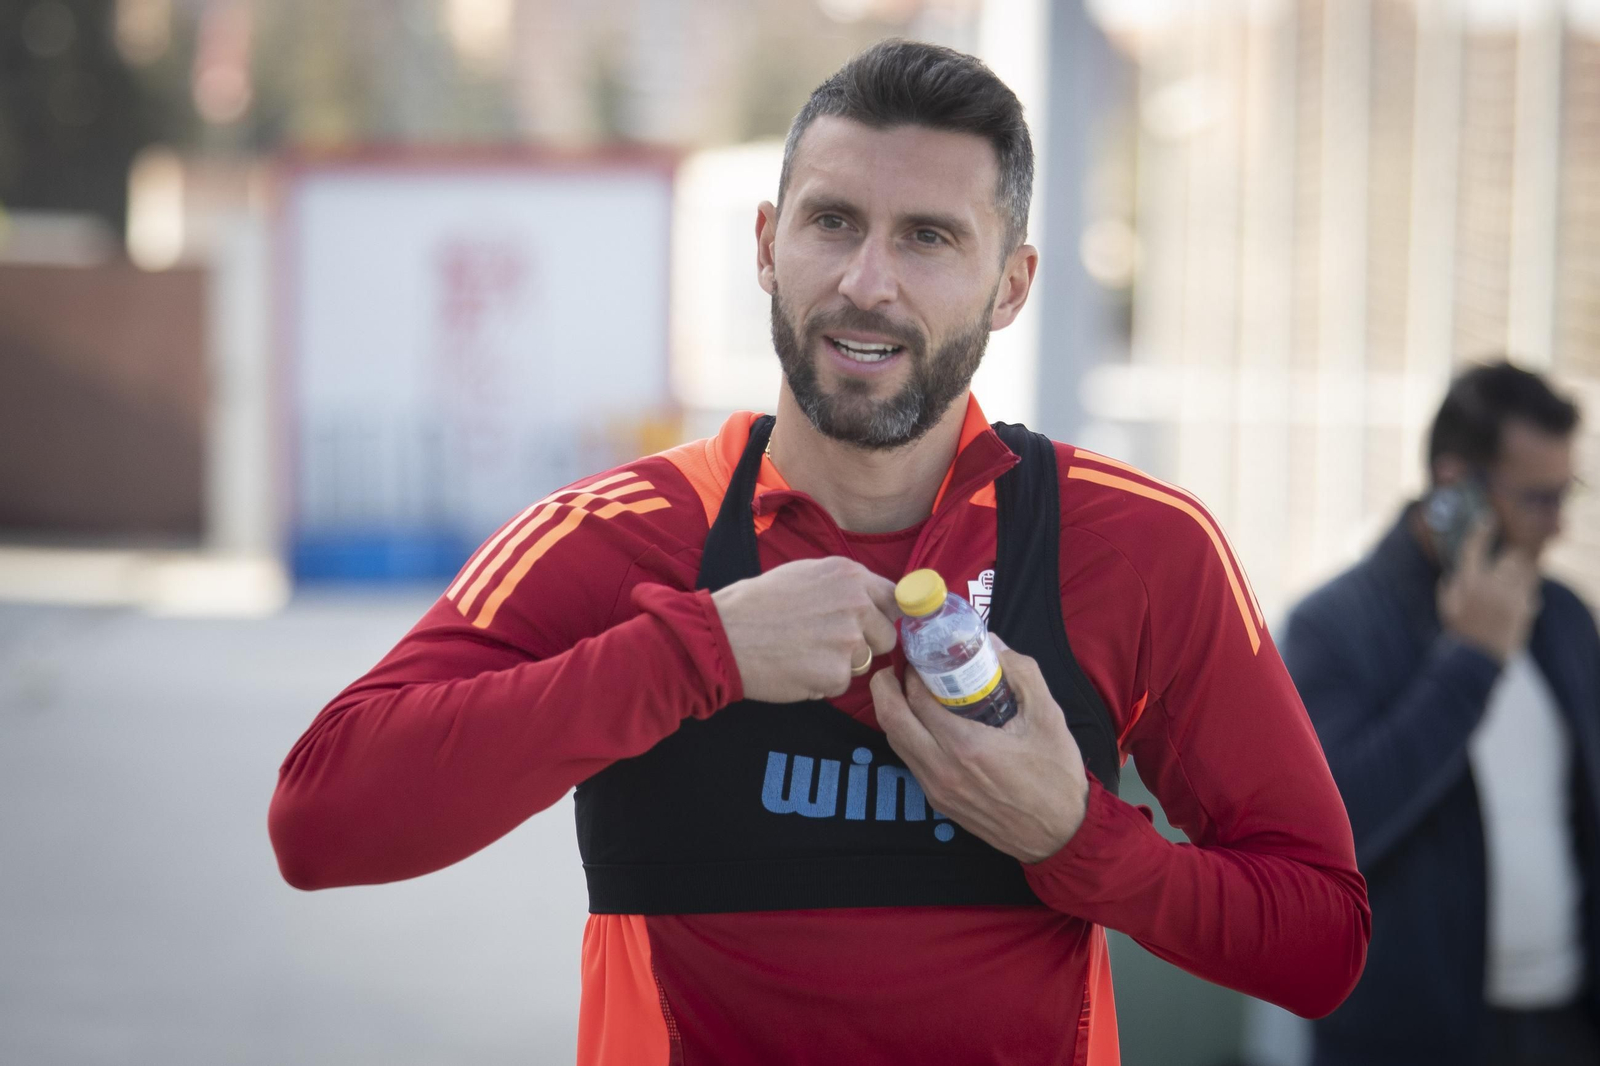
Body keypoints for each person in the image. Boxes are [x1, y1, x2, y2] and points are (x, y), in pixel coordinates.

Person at [270, 40, 1368, 1065]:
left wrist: (1078, 836)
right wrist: (695, 652)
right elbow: (320, 822)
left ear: (1013, 283)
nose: (867, 282)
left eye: (929, 237)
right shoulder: (620, 536)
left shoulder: (1138, 546)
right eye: (833, 222)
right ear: (766, 243)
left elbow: (1322, 943)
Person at [1283, 361, 1600, 1066]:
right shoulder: (1331, 626)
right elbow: (1338, 828)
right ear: (1456, 488)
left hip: (1564, 1024)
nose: (1557, 525)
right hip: (1407, 1038)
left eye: (1565, 493)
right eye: (1537, 499)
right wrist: (1473, 661)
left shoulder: (1566, 619)